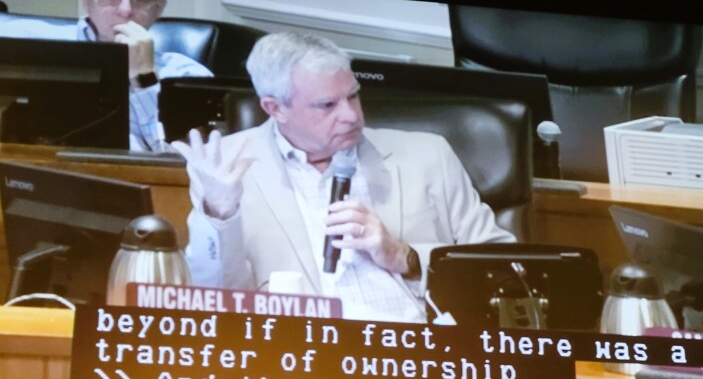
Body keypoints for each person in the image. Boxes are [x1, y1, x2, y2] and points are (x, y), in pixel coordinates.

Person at [178, 31, 515, 323]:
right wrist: (220, 215)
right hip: (300, 358)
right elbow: (214, 297)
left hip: (416, 351)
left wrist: (404, 257)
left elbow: (507, 272)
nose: (351, 116)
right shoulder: (224, 166)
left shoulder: (428, 155)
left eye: (353, 95)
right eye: (327, 105)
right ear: (274, 108)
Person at [0, 0, 212, 151]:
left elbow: (181, 169)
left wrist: (144, 80)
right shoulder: (28, 43)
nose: (125, 10)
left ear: (159, 9)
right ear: (86, 1)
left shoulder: (187, 75)